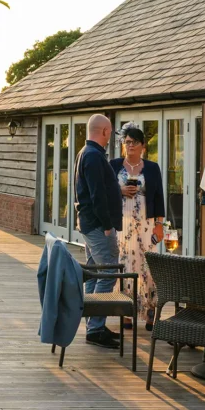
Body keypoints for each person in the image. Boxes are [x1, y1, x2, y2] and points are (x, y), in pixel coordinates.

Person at [74, 113, 123, 349]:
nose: (111, 136)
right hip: (97, 226)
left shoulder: (87, 153)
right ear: (104, 131)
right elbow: (97, 196)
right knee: (108, 273)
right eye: (110, 131)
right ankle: (94, 329)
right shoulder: (93, 156)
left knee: (94, 272)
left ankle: (95, 324)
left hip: (90, 224)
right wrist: (106, 226)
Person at [109, 125, 165, 330]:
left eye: (133, 142)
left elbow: (159, 198)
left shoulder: (152, 168)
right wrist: (120, 190)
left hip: (146, 224)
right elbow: (106, 190)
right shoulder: (114, 165)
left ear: (142, 146)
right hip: (123, 224)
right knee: (126, 265)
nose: (129, 145)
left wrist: (159, 226)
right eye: (127, 142)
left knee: (148, 267)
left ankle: (151, 312)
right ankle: (126, 312)